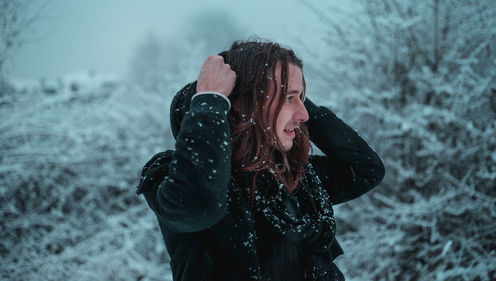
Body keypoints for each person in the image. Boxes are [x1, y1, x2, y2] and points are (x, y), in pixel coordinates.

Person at [137, 40, 385, 281]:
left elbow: (365, 169)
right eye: (289, 98)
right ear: (246, 104)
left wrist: (287, 90)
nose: (305, 114)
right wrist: (212, 99)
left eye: (301, 98)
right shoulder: (173, 176)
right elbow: (200, 204)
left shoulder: (293, 176)